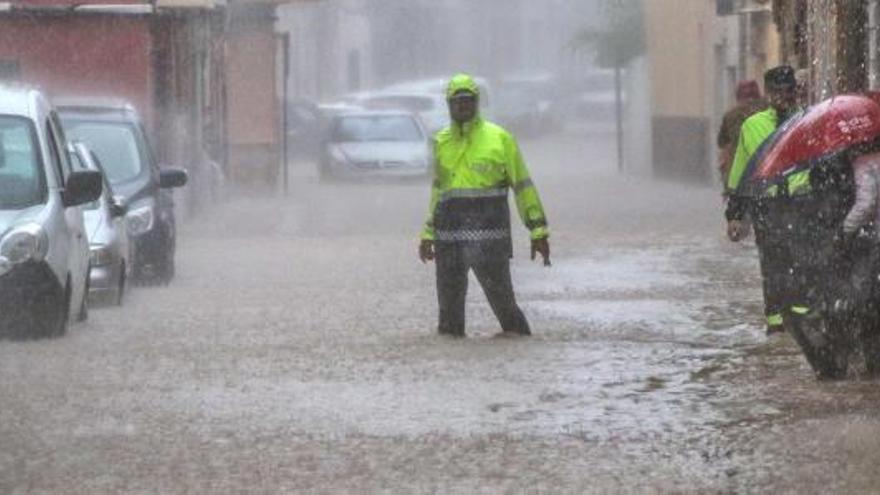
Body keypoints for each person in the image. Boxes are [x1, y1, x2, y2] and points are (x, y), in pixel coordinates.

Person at [418, 73, 550, 337]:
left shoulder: (500, 139)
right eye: (457, 102)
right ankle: (453, 370)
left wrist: (538, 231)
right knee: (449, 318)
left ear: (477, 103)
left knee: (505, 307)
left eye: (468, 101)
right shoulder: (440, 142)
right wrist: (427, 234)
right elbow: (438, 192)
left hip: (490, 241)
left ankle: (519, 346)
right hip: (449, 242)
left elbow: (523, 187)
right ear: (448, 105)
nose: (463, 106)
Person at [725, 65, 803, 336]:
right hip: (766, 206)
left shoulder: (805, 121)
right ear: (768, 94)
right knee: (772, 263)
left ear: (796, 92)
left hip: (802, 203)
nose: (784, 96)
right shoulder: (752, 125)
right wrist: (734, 213)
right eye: (778, 91)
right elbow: (740, 173)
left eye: (789, 91)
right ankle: (775, 322)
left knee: (801, 259)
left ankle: (801, 319)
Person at [717, 80, 766, 190]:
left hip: (740, 172)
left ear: (738, 96)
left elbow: (721, 142)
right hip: (766, 168)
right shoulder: (769, 110)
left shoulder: (731, 115)